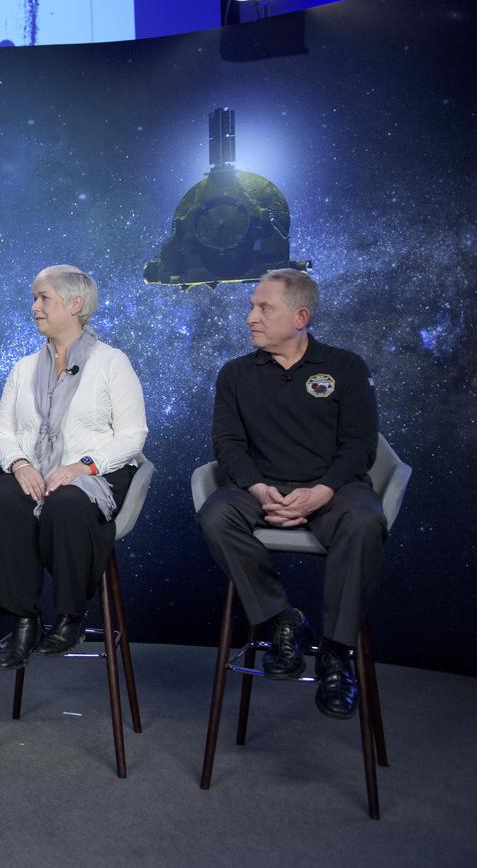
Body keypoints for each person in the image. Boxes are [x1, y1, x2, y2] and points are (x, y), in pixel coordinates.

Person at [197, 268, 383, 719]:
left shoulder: (344, 367)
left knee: (364, 520)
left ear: (300, 317)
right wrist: (260, 490)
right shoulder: (236, 374)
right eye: (252, 306)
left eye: (264, 308)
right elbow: (228, 445)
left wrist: (320, 493)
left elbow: (360, 445)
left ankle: (338, 654)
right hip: (258, 489)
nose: (250, 318)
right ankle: (283, 619)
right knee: (215, 516)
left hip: (332, 490)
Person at [0, 265, 147, 669]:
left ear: (75, 304)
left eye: (43, 298)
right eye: (34, 299)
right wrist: (18, 464)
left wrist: (84, 466)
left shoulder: (112, 363)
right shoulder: (23, 368)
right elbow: (2, 432)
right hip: (34, 469)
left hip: (92, 474)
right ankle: (25, 618)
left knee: (66, 505)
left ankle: (70, 617)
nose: (34, 307)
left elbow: (133, 436)